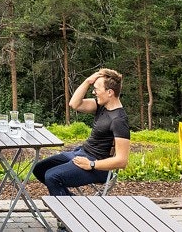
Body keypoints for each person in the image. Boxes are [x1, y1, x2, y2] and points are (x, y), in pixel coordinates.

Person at [32, 68, 130, 196]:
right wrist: (87, 81)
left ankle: (67, 213)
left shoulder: (118, 120)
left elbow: (122, 161)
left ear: (110, 92)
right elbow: (74, 104)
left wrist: (92, 164)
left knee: (52, 176)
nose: (94, 92)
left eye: (96, 89)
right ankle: (75, 205)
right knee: (39, 169)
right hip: (81, 153)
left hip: (98, 166)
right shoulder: (102, 106)